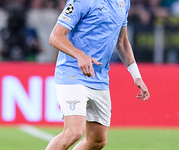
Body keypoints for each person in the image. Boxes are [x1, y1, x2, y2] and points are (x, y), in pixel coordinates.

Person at [45, 0, 150, 149]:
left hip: (99, 78)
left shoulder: (124, 2)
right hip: (72, 73)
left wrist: (136, 75)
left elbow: (122, 41)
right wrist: (80, 55)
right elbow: (55, 36)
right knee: (74, 132)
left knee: (97, 141)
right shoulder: (82, 1)